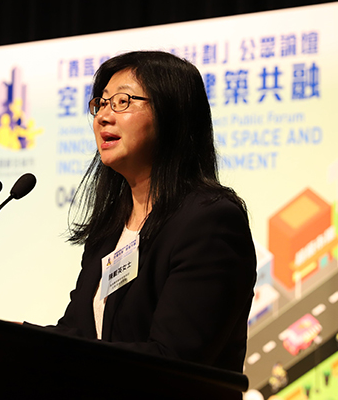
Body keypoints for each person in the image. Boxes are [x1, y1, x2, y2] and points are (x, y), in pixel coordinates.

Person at [50, 50, 256, 373]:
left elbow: (172, 361)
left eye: (122, 101)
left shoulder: (210, 221)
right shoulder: (109, 231)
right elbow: (76, 332)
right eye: (101, 104)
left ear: (171, 112)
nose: (104, 116)